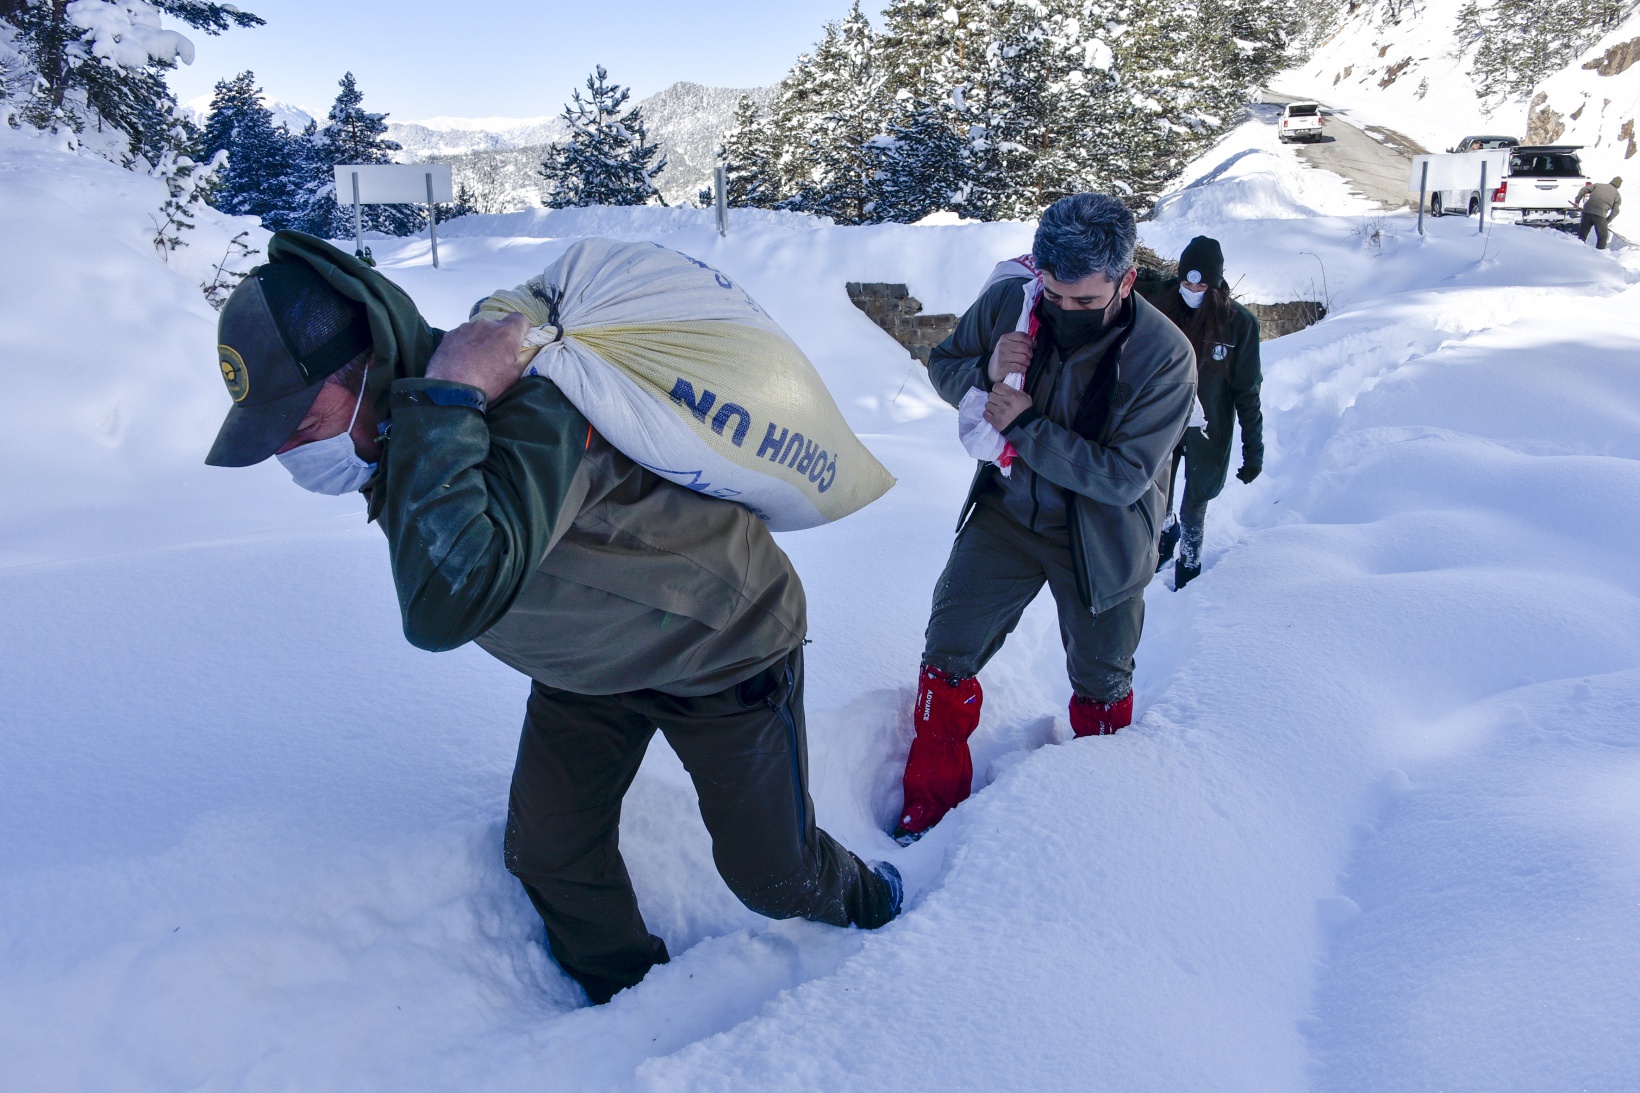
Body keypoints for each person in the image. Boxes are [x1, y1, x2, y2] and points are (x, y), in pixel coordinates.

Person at [204, 231, 901, 1005]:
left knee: (774, 874)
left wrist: (449, 399)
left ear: (366, 365)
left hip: (722, 648)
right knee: (549, 852)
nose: (288, 452)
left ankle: (878, 905)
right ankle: (634, 1003)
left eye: (299, 424)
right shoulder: (404, 439)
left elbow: (450, 598)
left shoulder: (528, 404)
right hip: (590, 668)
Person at [892, 194, 1197, 843]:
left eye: (1085, 303)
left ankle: (1094, 822)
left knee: (1101, 678)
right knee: (947, 649)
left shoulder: (1163, 357)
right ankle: (929, 805)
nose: (1064, 312)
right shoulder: (1015, 301)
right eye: (1056, 297)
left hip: (1103, 535)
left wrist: (1023, 423)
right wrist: (987, 368)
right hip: (1008, 510)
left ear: (1126, 280)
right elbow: (943, 364)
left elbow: (1120, 476)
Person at [1139, 236, 1264, 589]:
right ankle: (1164, 538)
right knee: (1156, 493)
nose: (1192, 288)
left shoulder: (1238, 324)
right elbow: (1126, 286)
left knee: (1196, 501)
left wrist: (1253, 449)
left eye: (1201, 282)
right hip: (1165, 421)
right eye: (1186, 280)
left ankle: (1188, 567)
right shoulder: (1162, 302)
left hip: (1209, 429)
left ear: (1216, 282)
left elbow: (1247, 392)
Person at [1575, 177, 1623, 250]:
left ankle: (1577, 250)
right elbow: (1616, 211)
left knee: (1582, 235)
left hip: (1587, 212)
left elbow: (1584, 189)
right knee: (1602, 237)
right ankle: (1599, 254)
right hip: (1600, 215)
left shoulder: (1598, 185)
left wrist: (1577, 201)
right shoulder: (1617, 195)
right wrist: (1607, 221)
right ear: (1619, 186)